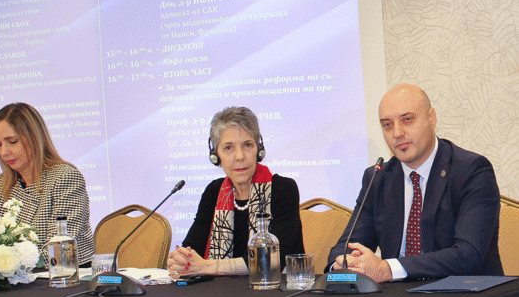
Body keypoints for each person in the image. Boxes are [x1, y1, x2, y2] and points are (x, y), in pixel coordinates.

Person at [327, 83, 503, 282]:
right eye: (387, 125)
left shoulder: (472, 171)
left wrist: (388, 269)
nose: (397, 133)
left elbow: (467, 255)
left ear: (432, 118)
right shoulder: (377, 178)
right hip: (398, 296)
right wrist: (344, 264)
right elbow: (345, 248)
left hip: (464, 293)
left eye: (407, 119)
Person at [168, 106, 304, 278]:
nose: (239, 156)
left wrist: (207, 266)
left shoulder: (283, 189)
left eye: (247, 145)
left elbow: (274, 258)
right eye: (228, 148)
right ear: (215, 155)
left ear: (258, 150)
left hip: (273, 289)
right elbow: (192, 248)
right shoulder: (213, 192)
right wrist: (181, 260)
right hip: (221, 292)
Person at [0, 103, 94, 267]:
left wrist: (9, 265)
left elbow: (59, 248)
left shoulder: (64, 178)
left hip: (67, 274)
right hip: (17, 276)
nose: (4, 152)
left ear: (34, 139)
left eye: (12, 141)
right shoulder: (0, 184)